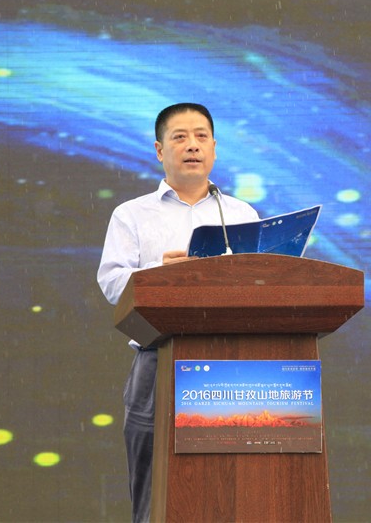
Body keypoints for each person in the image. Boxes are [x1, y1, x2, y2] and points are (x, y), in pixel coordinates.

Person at [97, 103, 259, 523]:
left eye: (201, 136)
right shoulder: (131, 214)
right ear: (159, 150)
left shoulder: (241, 215)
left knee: (235, 491)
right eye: (180, 137)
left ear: (214, 148)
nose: (192, 146)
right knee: (156, 496)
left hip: (234, 367)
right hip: (158, 360)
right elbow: (112, 283)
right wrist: (159, 274)